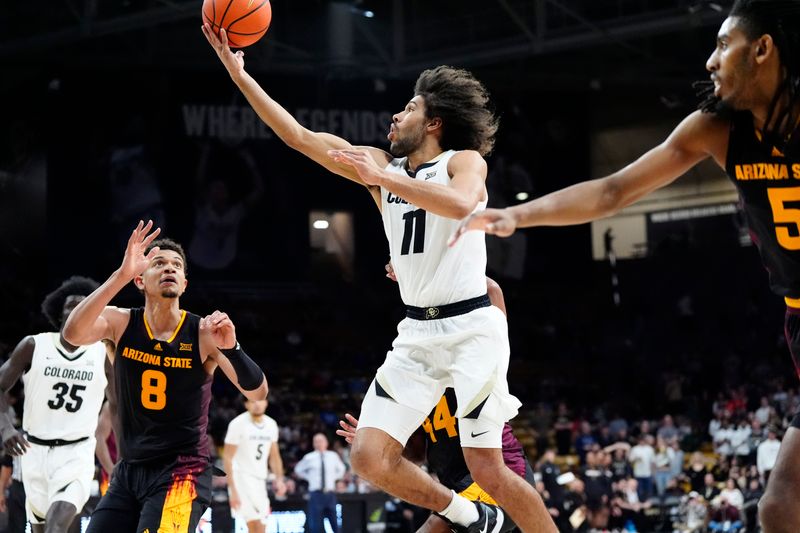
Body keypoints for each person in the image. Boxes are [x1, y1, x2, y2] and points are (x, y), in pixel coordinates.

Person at [452, 1, 800, 530]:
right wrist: (514, 217)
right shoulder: (718, 129)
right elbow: (614, 190)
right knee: (779, 507)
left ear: (763, 49)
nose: (710, 61)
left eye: (723, 44)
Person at [202, 23, 556, 533]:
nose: (396, 114)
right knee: (368, 458)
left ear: (434, 122)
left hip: (471, 326)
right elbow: (300, 138)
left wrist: (386, 180)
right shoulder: (378, 165)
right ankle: (469, 517)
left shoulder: (462, 161)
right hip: (416, 331)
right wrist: (240, 75)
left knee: (487, 467)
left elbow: (462, 204)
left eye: (408, 108)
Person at [61, 221, 269, 533]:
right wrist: (120, 274)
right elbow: (73, 333)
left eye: (176, 265)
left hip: (183, 470)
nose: (169, 268)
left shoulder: (203, 333)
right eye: (159, 263)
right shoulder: (120, 323)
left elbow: (258, 393)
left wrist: (234, 348)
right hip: (129, 471)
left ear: (185, 283)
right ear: (140, 280)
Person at [337, 276, 534, 533]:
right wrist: (377, 441)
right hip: (458, 490)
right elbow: (417, 454)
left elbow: (493, 290)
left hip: (502, 476)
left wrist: (423, 271)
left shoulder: (475, 356)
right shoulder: (414, 383)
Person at [0, 276, 108, 533]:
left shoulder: (104, 354)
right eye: (72, 306)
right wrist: (6, 428)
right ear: (60, 314)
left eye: (85, 306)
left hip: (77, 454)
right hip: (33, 453)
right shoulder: (34, 345)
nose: (78, 311)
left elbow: (120, 404)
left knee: (55, 528)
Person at [223, 396, 285, 533]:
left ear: (266, 403)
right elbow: (227, 457)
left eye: (260, 400)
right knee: (254, 525)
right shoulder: (237, 424)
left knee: (262, 525)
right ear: (246, 405)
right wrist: (232, 490)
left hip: (260, 479)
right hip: (242, 478)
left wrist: (280, 479)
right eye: (252, 401)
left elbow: (274, 456)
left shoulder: (271, 424)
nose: (257, 404)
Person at [294, 433, 346, 533]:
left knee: (335, 524)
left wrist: (333, 479)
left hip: (330, 494)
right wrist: (309, 478)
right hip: (316, 494)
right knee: (315, 525)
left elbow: (342, 469)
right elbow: (298, 469)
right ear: (314, 444)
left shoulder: (333, 456)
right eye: (317, 441)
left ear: (326, 443)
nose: (319, 443)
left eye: (321, 441)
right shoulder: (309, 457)